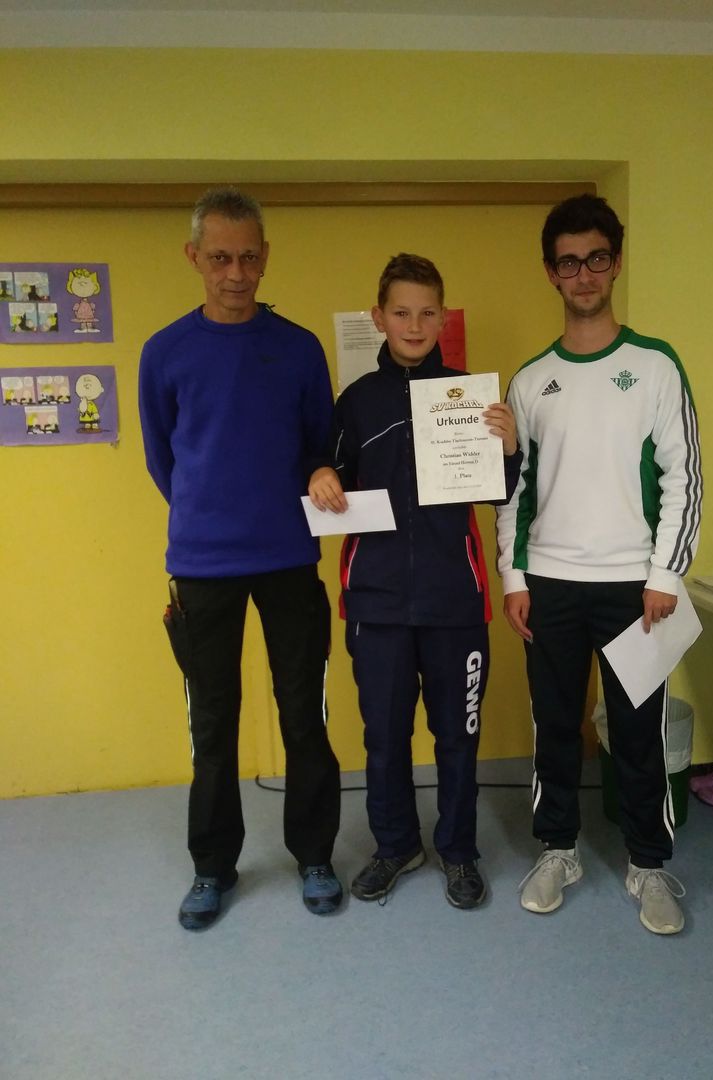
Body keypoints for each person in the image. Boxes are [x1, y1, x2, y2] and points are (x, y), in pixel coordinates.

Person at [496, 194, 702, 935]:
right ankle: (558, 850)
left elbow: (683, 477)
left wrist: (665, 575)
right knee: (555, 728)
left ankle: (649, 863)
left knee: (637, 733)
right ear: (550, 272)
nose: (583, 274)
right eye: (568, 262)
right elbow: (514, 491)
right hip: (549, 585)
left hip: (633, 589)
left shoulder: (654, 366)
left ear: (615, 263)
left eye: (596, 259)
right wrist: (514, 577)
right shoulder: (530, 381)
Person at [138, 186, 342, 930]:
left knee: (304, 715)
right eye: (220, 258)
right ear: (194, 257)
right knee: (213, 726)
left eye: (248, 258)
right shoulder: (164, 352)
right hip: (202, 564)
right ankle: (212, 867)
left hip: (289, 558)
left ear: (265, 257)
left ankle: (313, 856)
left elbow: (320, 444)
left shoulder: (299, 347)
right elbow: (164, 459)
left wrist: (315, 473)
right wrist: (209, 512)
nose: (235, 273)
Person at [309, 253, 521, 909]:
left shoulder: (471, 398)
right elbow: (327, 473)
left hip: (455, 600)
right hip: (376, 603)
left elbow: (502, 492)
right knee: (384, 738)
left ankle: (458, 851)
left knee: (458, 738)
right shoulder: (355, 402)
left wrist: (509, 449)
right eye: (401, 312)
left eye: (428, 312)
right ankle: (396, 845)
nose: (414, 324)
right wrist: (320, 474)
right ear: (379, 317)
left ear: (443, 317)